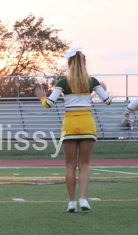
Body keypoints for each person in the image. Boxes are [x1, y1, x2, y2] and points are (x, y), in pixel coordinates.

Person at [35, 47, 111, 213]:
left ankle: (71, 202)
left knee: (70, 165)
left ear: (69, 64)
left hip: (69, 125)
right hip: (87, 124)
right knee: (84, 164)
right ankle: (83, 199)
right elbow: (108, 101)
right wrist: (102, 89)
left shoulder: (63, 83)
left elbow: (49, 104)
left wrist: (42, 97)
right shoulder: (92, 81)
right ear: (84, 64)